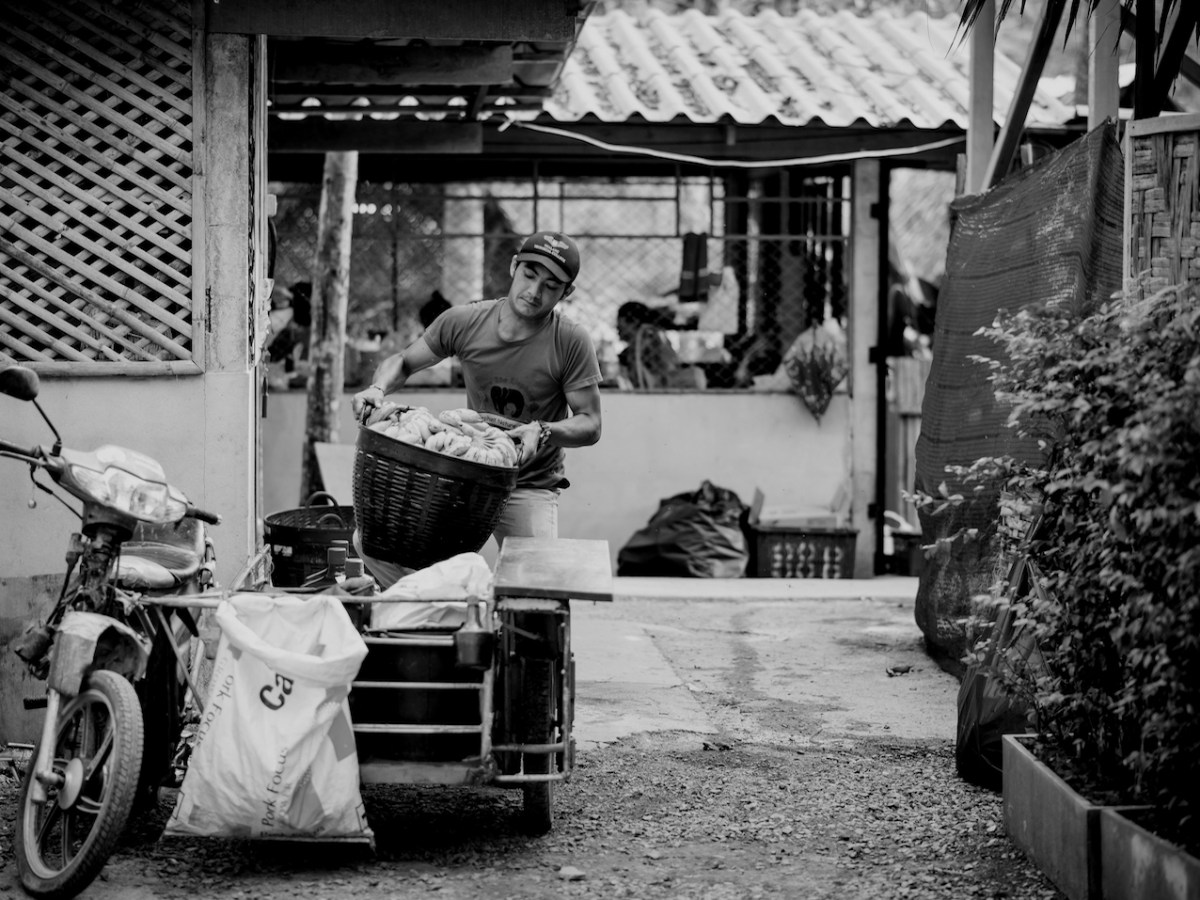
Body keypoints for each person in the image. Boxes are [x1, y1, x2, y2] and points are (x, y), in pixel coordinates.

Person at [351, 231, 603, 587]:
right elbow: (404, 362)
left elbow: (590, 424)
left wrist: (542, 429)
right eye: (529, 275)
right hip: (465, 477)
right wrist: (377, 388)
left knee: (538, 588)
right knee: (373, 546)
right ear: (514, 267)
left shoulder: (570, 341)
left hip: (529, 483)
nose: (534, 292)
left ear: (566, 292)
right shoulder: (466, 322)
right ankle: (440, 615)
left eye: (550, 285)